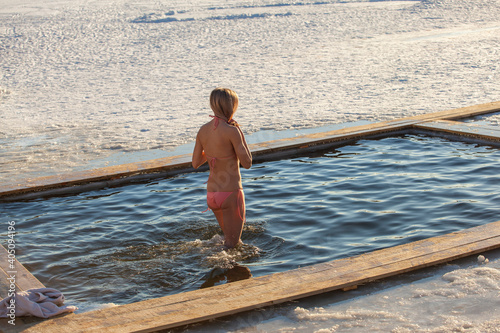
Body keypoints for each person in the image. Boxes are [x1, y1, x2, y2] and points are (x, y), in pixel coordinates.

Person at [192, 88, 252, 249]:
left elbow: (195, 162)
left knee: (228, 241)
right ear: (232, 106)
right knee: (233, 246)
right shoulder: (232, 131)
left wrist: (212, 151)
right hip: (231, 194)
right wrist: (239, 132)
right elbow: (247, 163)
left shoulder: (203, 130)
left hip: (212, 195)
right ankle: (222, 266)